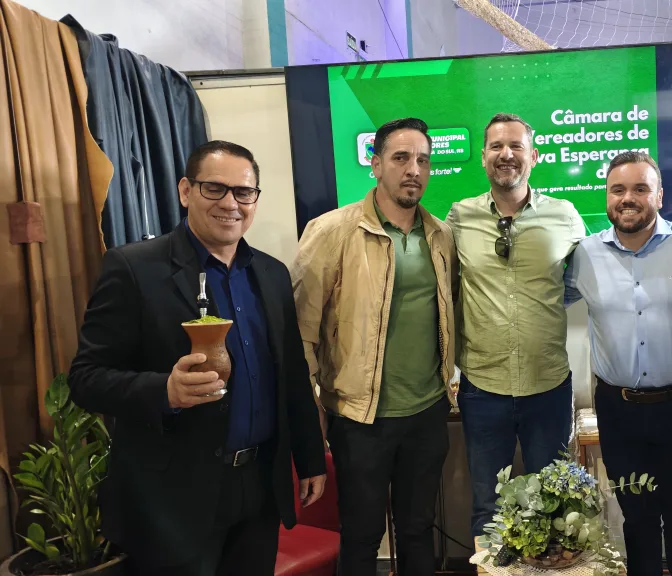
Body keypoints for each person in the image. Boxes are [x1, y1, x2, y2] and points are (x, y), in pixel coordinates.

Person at [68, 140, 327, 576]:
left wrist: (310, 457)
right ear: (186, 191)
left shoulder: (272, 274)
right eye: (215, 188)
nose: (231, 203)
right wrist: (164, 391)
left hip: (259, 486)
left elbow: (292, 375)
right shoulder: (134, 269)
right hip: (173, 499)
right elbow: (85, 378)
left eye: (243, 192)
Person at [290, 117, 457, 576]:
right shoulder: (331, 232)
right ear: (376, 164)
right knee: (361, 535)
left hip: (427, 413)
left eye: (423, 160)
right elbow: (299, 331)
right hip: (360, 419)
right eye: (401, 158)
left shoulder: (440, 235)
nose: (413, 170)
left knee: (418, 530)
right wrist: (311, 411)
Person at [564, 151, 672, 576]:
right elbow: (546, 301)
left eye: (640, 188)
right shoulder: (584, 254)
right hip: (619, 411)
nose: (628, 198)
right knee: (636, 518)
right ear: (607, 196)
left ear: (660, 196)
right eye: (617, 189)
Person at [446, 112, 585, 545]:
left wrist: (538, 308)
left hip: (548, 387)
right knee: (489, 507)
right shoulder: (459, 218)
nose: (506, 154)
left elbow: (578, 282)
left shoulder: (564, 215)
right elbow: (449, 286)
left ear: (534, 156)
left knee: (553, 506)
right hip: (482, 388)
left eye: (516, 146)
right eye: (496, 146)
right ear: (483, 157)